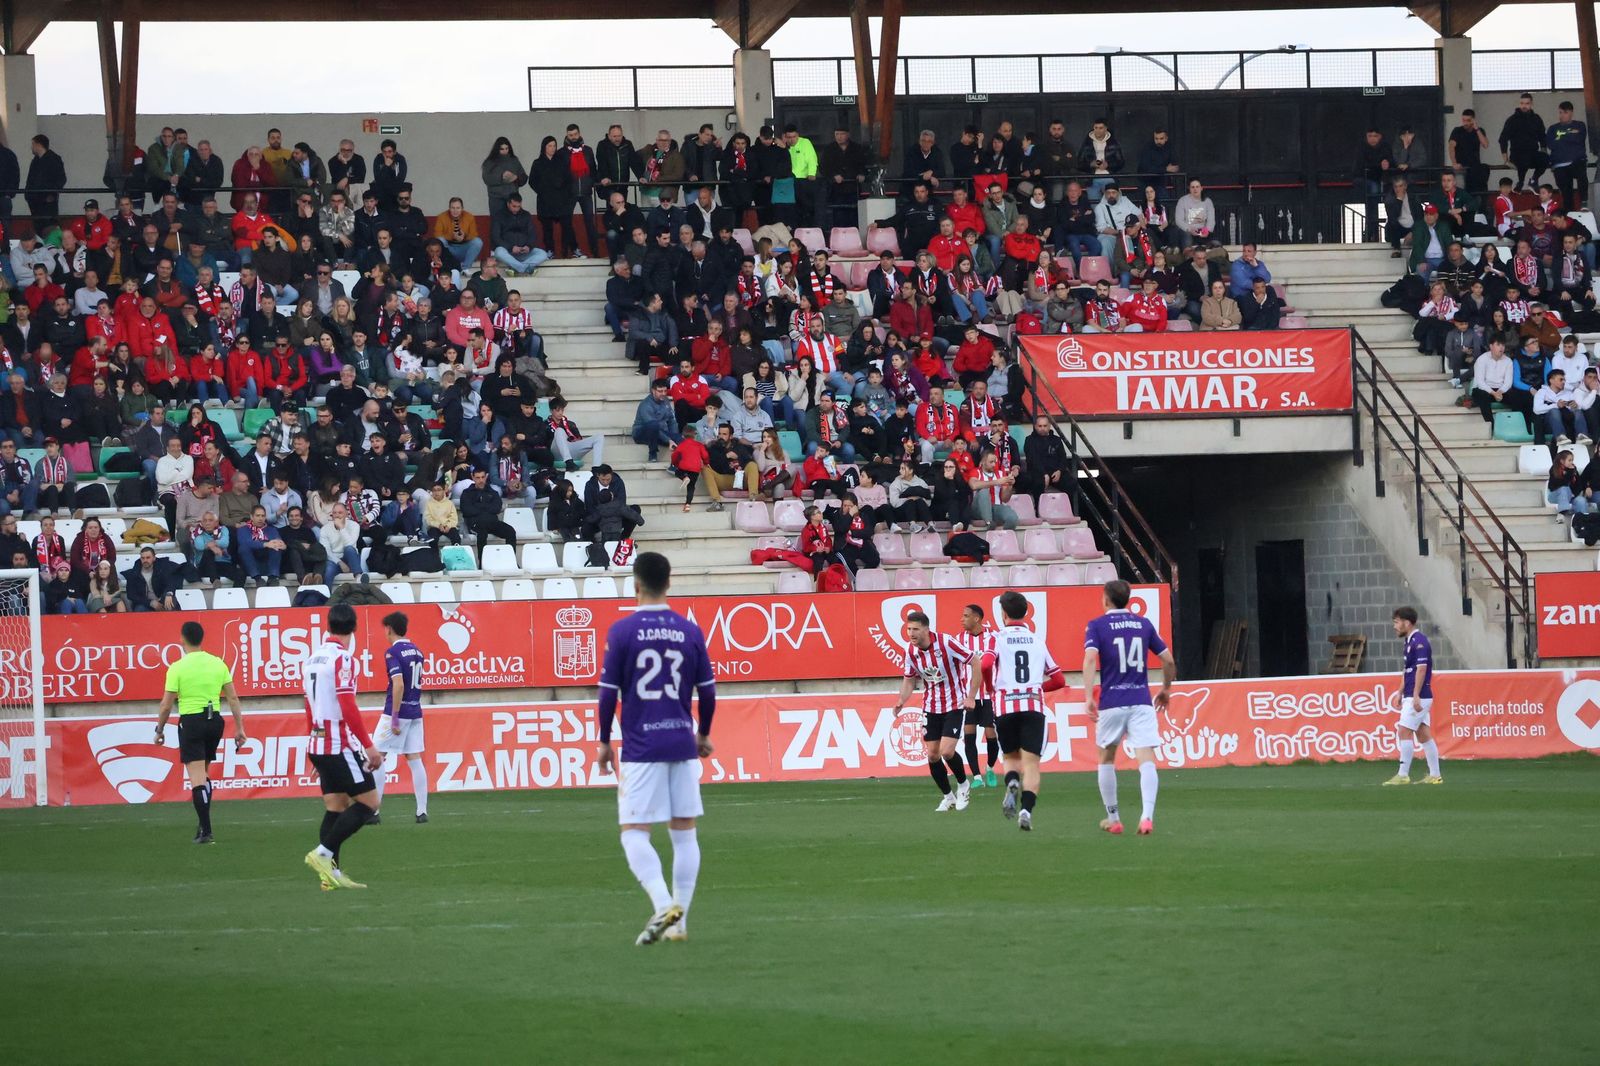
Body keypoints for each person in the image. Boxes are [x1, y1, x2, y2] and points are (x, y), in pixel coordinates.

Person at [595, 551, 715, 945]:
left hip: (641, 745)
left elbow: (608, 694)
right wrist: (703, 733)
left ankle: (664, 904)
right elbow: (708, 692)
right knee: (684, 833)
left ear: (636, 584)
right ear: (669, 583)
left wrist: (603, 742)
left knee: (633, 832)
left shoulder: (622, 631)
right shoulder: (689, 630)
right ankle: (679, 923)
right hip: (681, 739)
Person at [1084, 579, 1176, 836]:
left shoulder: (1097, 625)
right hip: (1141, 700)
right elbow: (1168, 661)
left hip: (1112, 701)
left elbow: (1090, 658)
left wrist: (1088, 694)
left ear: (1105, 599)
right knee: (1146, 758)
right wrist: (1166, 689)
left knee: (1106, 758)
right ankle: (1147, 816)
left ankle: (1114, 818)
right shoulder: (1143, 624)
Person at [302, 603, 382, 890]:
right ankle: (323, 854)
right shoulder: (343, 659)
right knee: (370, 804)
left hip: (318, 742)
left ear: (328, 625)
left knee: (336, 806)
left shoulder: (312, 659)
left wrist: (314, 746)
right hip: (338, 744)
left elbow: (308, 705)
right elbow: (347, 705)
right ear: (353, 629)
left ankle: (330, 877)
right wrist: (369, 746)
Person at [154, 620, 247, 845]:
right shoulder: (217, 663)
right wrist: (240, 728)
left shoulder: (177, 667)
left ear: (182, 638)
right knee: (203, 775)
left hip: (192, 721)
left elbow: (166, 705)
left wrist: (160, 728)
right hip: (214, 721)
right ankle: (202, 825)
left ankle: (206, 830)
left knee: (196, 778)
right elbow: (232, 698)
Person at [983, 590, 1064, 831]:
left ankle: (1012, 782)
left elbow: (986, 663)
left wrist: (990, 687)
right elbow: (1059, 680)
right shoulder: (1038, 641)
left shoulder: (995, 638)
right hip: (1033, 707)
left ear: (1003, 614)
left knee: (1010, 758)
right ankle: (1026, 811)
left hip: (1005, 706)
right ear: (1026, 613)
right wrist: (1037, 688)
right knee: (1031, 765)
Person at [892, 610, 975, 812]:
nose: (911, 633)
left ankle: (964, 784)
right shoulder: (910, 651)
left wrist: (971, 695)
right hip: (931, 706)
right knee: (932, 755)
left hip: (954, 704)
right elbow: (909, 678)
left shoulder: (947, 643)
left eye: (915, 629)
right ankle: (948, 797)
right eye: (909, 629)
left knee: (947, 752)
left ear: (927, 630)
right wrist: (902, 700)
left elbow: (975, 660)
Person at [372, 611, 430, 825]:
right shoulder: (418, 651)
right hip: (416, 710)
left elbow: (399, 684)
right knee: (414, 758)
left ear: (389, 628)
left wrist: (395, 716)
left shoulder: (392, 653)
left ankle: (373, 812)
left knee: (376, 757)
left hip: (397, 712)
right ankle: (421, 811)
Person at [1384, 606, 1443, 786]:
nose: (1394, 626)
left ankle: (1403, 774)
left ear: (1407, 623)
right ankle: (1435, 775)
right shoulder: (1409, 641)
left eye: (1396, 622)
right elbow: (1407, 671)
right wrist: (1400, 692)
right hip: (1412, 694)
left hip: (1419, 696)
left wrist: (1415, 695)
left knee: (1403, 730)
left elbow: (1421, 669)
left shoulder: (1420, 642)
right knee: (1423, 734)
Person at [953, 603, 999, 789]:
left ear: (977, 618)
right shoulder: (958, 639)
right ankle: (977, 777)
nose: (961, 619)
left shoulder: (993, 637)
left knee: (991, 734)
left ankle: (989, 768)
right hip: (968, 697)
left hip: (988, 696)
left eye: (965, 616)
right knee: (969, 735)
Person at [1499, 93, 1547, 192]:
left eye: (1527, 103)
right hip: (1517, 154)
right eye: (1522, 103)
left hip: (1533, 153)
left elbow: (1542, 136)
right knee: (1524, 158)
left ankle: (1534, 180)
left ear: (1531, 104)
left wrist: (1543, 151)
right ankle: (1520, 182)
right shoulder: (1512, 120)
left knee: (1546, 159)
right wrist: (1506, 160)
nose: (1524, 106)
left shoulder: (1536, 119)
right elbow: (1503, 139)